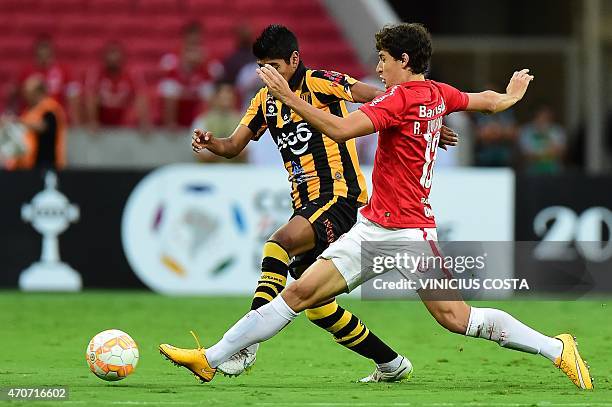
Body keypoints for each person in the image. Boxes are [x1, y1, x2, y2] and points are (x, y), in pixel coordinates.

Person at [159, 23, 592, 390]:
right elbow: (485, 100)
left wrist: (290, 99)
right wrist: (510, 97)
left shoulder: (398, 99)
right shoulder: (438, 94)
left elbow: (342, 130)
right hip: (371, 227)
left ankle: (557, 347)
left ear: (404, 60)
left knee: (457, 318)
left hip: (409, 234)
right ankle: (211, 357)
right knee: (299, 293)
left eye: (383, 59)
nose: (379, 67)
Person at [163, 24, 456, 383]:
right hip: (306, 204)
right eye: (262, 67)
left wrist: (420, 118)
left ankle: (243, 346)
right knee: (317, 307)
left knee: (278, 243)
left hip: (340, 197)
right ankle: (391, 363)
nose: (267, 74)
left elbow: (375, 96)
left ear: (294, 60)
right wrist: (211, 142)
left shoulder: (320, 82)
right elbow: (233, 145)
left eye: (274, 65)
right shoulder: (263, 102)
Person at [157, 22, 223, 128]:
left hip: (197, 89)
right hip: (180, 89)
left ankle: (205, 126)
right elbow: (163, 72)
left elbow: (219, 73)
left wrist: (204, 63)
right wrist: (183, 62)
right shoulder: (173, 56)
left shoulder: (207, 57)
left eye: (196, 40)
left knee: (209, 91)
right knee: (169, 88)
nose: (194, 43)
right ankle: (170, 124)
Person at [2, 75, 66, 170]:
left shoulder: (50, 108)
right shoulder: (28, 111)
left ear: (39, 92)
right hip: (31, 164)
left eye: (28, 92)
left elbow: (43, 127)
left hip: (48, 164)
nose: (25, 95)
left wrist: (16, 121)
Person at [84, 42, 149, 131]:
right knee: (92, 95)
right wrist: (93, 121)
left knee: (139, 96)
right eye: (110, 54)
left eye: (116, 56)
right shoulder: (96, 74)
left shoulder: (131, 75)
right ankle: (93, 122)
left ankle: (142, 124)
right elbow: (90, 96)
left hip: (123, 119)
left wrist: (144, 121)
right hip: (102, 119)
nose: (113, 59)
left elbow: (140, 96)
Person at [191, 81, 246, 163]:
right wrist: (228, 149)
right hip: (211, 172)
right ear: (215, 98)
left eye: (229, 96)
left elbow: (245, 152)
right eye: (223, 97)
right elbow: (200, 154)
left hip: (235, 172)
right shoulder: (202, 121)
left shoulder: (244, 120)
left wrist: (215, 148)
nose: (226, 100)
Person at [519, 105, 566, 174]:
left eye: (546, 117)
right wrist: (548, 153)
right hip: (531, 172)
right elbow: (525, 154)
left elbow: (560, 152)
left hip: (554, 171)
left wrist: (538, 154)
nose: (543, 119)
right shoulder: (526, 131)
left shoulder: (557, 131)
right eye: (540, 116)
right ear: (535, 117)